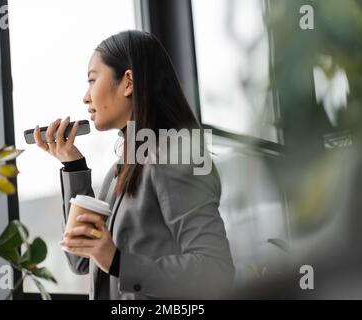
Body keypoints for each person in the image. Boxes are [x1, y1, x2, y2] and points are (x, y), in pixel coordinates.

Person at [33, 30, 235, 299]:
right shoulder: (121, 170)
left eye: (92, 80)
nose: (85, 97)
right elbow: (81, 260)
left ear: (128, 82)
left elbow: (216, 270)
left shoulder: (175, 156)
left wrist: (117, 261)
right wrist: (73, 167)